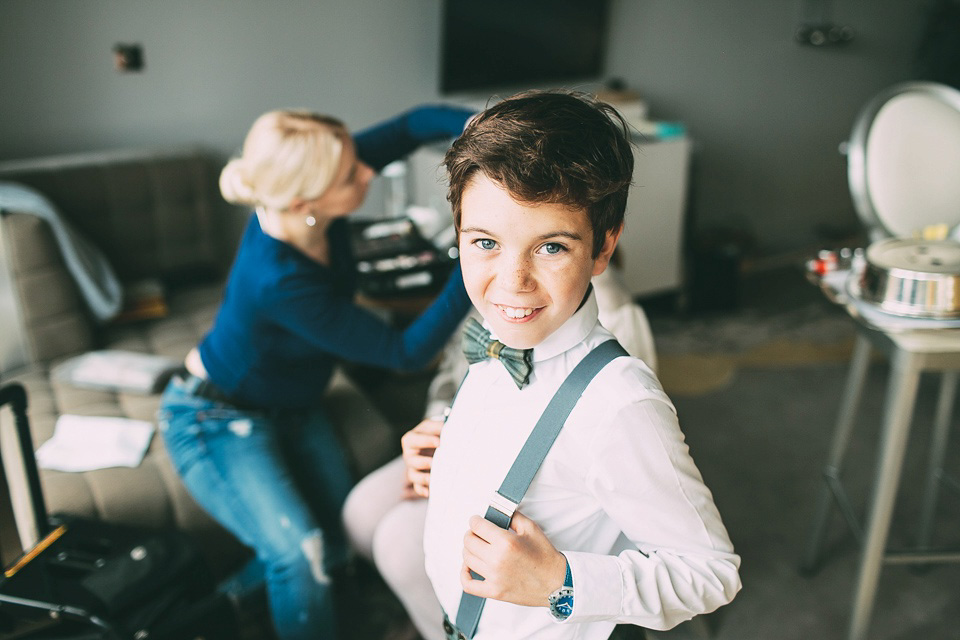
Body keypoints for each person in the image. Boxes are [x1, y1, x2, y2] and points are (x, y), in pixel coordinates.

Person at [381, 90, 740, 640]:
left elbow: (711, 574)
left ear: (602, 247)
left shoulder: (619, 404)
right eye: (485, 242)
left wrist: (559, 582)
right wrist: (447, 446)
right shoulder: (495, 334)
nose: (511, 282)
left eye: (550, 247)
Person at [156, 104, 474, 640]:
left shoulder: (323, 175)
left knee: (334, 543)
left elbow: (408, 126)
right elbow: (404, 354)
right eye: (353, 175)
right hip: (214, 414)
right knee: (300, 556)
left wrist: (485, 127)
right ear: (306, 203)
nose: (367, 170)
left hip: (295, 405)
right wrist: (480, 256)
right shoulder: (280, 279)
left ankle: (221, 610)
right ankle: (207, 618)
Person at [342, 266, 658, 640]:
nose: (511, 272)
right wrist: (437, 430)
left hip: (534, 475)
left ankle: (448, 622)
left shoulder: (615, 317)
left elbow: (615, 433)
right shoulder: (484, 281)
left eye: (551, 246)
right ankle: (431, 603)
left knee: (397, 542)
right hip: (460, 435)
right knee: (359, 512)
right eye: (483, 241)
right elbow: (452, 373)